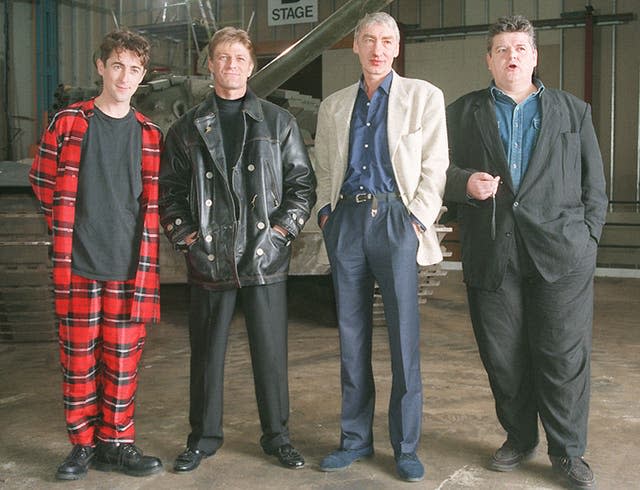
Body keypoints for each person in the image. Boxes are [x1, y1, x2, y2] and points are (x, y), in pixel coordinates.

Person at [444, 15, 607, 490]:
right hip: (493, 252)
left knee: (562, 357)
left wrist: (588, 241)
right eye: (501, 49)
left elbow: (593, 186)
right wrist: (463, 183)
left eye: (520, 48)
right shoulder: (462, 112)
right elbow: (437, 172)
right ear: (489, 60)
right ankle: (520, 437)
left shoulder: (572, 111)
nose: (511, 56)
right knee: (504, 356)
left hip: (562, 255)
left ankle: (567, 452)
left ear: (534, 57)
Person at [159, 26, 316, 473]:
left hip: (263, 254)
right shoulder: (186, 127)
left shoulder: (278, 122)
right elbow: (168, 191)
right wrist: (188, 238)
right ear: (210, 64)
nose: (231, 65)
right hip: (210, 253)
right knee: (206, 355)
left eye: (240, 59)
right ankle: (203, 438)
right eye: (223, 58)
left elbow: (302, 184)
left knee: (270, 353)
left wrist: (280, 235)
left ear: (252, 66)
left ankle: (278, 437)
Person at [314, 12, 449, 483]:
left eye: (387, 41)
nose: (377, 49)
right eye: (369, 40)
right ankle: (354, 439)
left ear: (397, 47)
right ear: (355, 46)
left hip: (396, 221)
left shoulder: (423, 97)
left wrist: (415, 221)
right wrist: (326, 215)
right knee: (351, 336)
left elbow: (436, 165)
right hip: (347, 220)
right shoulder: (333, 105)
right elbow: (324, 166)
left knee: (402, 340)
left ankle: (405, 446)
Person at [29, 30, 164, 480]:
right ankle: (81, 446)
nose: (125, 76)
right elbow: (44, 180)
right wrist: (70, 228)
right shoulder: (68, 122)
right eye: (118, 66)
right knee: (79, 361)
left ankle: (116, 442)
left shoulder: (149, 136)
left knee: (123, 366)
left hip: (130, 269)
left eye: (135, 69)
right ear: (100, 67)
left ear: (142, 76)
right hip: (79, 266)